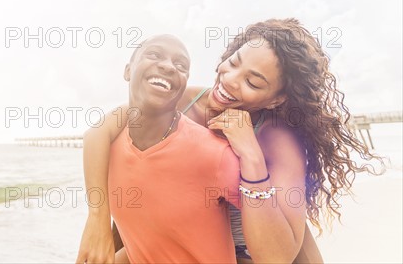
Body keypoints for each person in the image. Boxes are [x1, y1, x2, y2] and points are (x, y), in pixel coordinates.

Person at [76, 18, 384, 264]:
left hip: (252, 251)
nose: (230, 80)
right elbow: (101, 133)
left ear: (276, 100)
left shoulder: (277, 138)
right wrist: (97, 223)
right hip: (178, 238)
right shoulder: (182, 99)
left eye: (252, 82)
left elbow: (279, 255)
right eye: (233, 62)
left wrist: (251, 155)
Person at [104, 34, 241, 263]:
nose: (168, 66)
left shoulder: (215, 154)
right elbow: (139, 232)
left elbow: (271, 224)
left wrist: (254, 158)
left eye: (181, 65)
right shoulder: (109, 145)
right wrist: (97, 227)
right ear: (128, 71)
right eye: (155, 55)